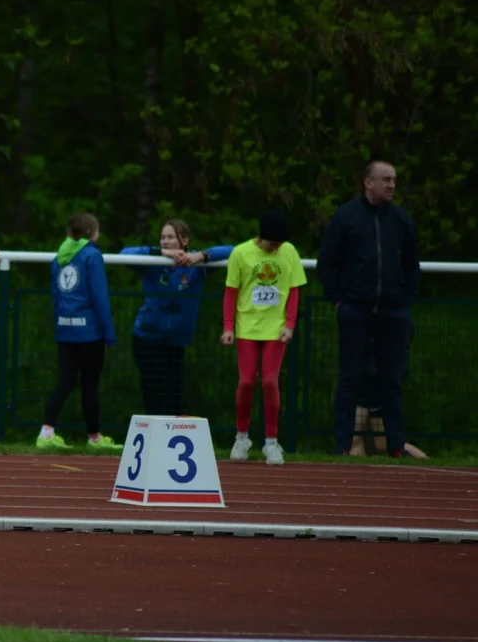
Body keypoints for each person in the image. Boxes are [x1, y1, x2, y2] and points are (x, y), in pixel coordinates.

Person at [316, 160, 420, 458]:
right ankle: (343, 445)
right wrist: (338, 299)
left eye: (394, 180)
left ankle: (396, 446)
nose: (391, 185)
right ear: (367, 182)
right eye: (386, 179)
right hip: (354, 309)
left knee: (391, 379)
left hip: (393, 312)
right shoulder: (346, 218)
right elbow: (327, 262)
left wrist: (405, 300)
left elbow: (411, 264)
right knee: (350, 377)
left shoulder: (401, 220)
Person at [121, 219, 234, 415]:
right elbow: (123, 254)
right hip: (147, 338)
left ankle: (168, 441)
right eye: (163, 237)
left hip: (177, 341)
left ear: (185, 240)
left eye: (171, 237)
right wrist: (161, 253)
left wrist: (201, 256)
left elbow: (235, 251)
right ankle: (154, 441)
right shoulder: (152, 262)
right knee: (155, 390)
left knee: (174, 394)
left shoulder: (197, 266)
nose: (165, 241)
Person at [220, 211, 306, 465]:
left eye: (279, 244)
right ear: (261, 237)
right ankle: (242, 437)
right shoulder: (241, 253)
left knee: (270, 382)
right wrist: (228, 327)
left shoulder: (289, 252)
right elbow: (231, 292)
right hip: (247, 327)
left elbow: (294, 290)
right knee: (246, 382)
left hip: (275, 329)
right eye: (272, 244)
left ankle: (271, 441)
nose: (276, 247)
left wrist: (289, 325)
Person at [36, 212, 121, 451]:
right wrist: (109, 332)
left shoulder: (59, 258)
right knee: (90, 384)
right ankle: (94, 438)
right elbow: (99, 296)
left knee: (65, 380)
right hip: (89, 332)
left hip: (65, 328)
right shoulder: (92, 256)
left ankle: (46, 432)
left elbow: (56, 297)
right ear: (92, 233)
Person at [350, 319, 428, 458]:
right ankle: (354, 467)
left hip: (378, 387)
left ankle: (422, 458)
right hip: (363, 385)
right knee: (354, 440)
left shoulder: (395, 323)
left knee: (382, 443)